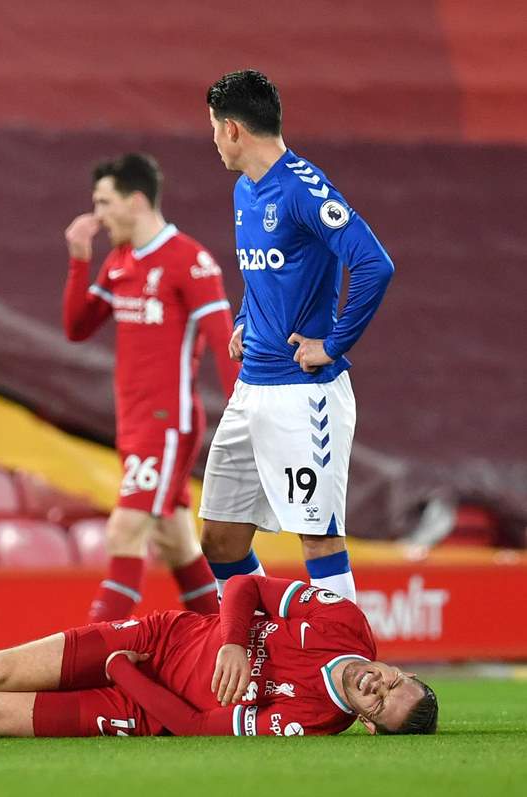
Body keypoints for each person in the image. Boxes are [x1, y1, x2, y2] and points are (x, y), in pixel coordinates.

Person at [199, 70, 395, 601]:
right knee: (219, 538)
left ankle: (346, 654)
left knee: (318, 539)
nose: (213, 139)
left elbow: (374, 264)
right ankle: (262, 643)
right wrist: (246, 318)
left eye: (214, 127)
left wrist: (332, 345)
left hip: (304, 396)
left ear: (233, 129)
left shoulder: (304, 189)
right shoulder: (245, 190)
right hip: (249, 392)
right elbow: (263, 270)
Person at [0, 575, 438, 738]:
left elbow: (193, 725)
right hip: (153, 639)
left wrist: (121, 679)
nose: (375, 686)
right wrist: (230, 641)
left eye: (379, 704)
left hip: (146, 710)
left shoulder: (312, 720)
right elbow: (246, 587)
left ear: (366, 723)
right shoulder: (344, 622)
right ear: (399, 669)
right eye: (392, 681)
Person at [63, 154, 239, 622]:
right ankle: (228, 643)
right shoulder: (120, 261)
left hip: (167, 423)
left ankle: (96, 654)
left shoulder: (189, 260)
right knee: (176, 543)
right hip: (134, 423)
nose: (97, 215)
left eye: (104, 203)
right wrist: (80, 259)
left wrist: (243, 415)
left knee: (124, 532)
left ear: (136, 201)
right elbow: (77, 327)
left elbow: (224, 343)